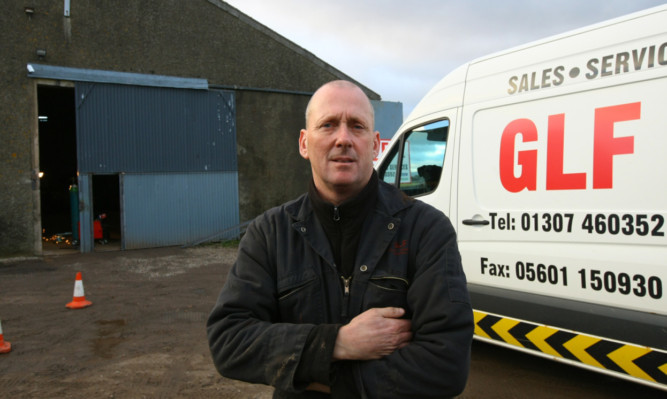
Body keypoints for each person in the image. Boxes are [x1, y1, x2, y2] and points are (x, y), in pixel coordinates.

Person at [207, 80, 474, 398]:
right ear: (304, 143)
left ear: (375, 145)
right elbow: (229, 340)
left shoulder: (426, 231)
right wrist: (339, 342)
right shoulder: (270, 233)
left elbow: (447, 363)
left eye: (357, 126)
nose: (343, 139)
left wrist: (323, 379)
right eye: (328, 125)